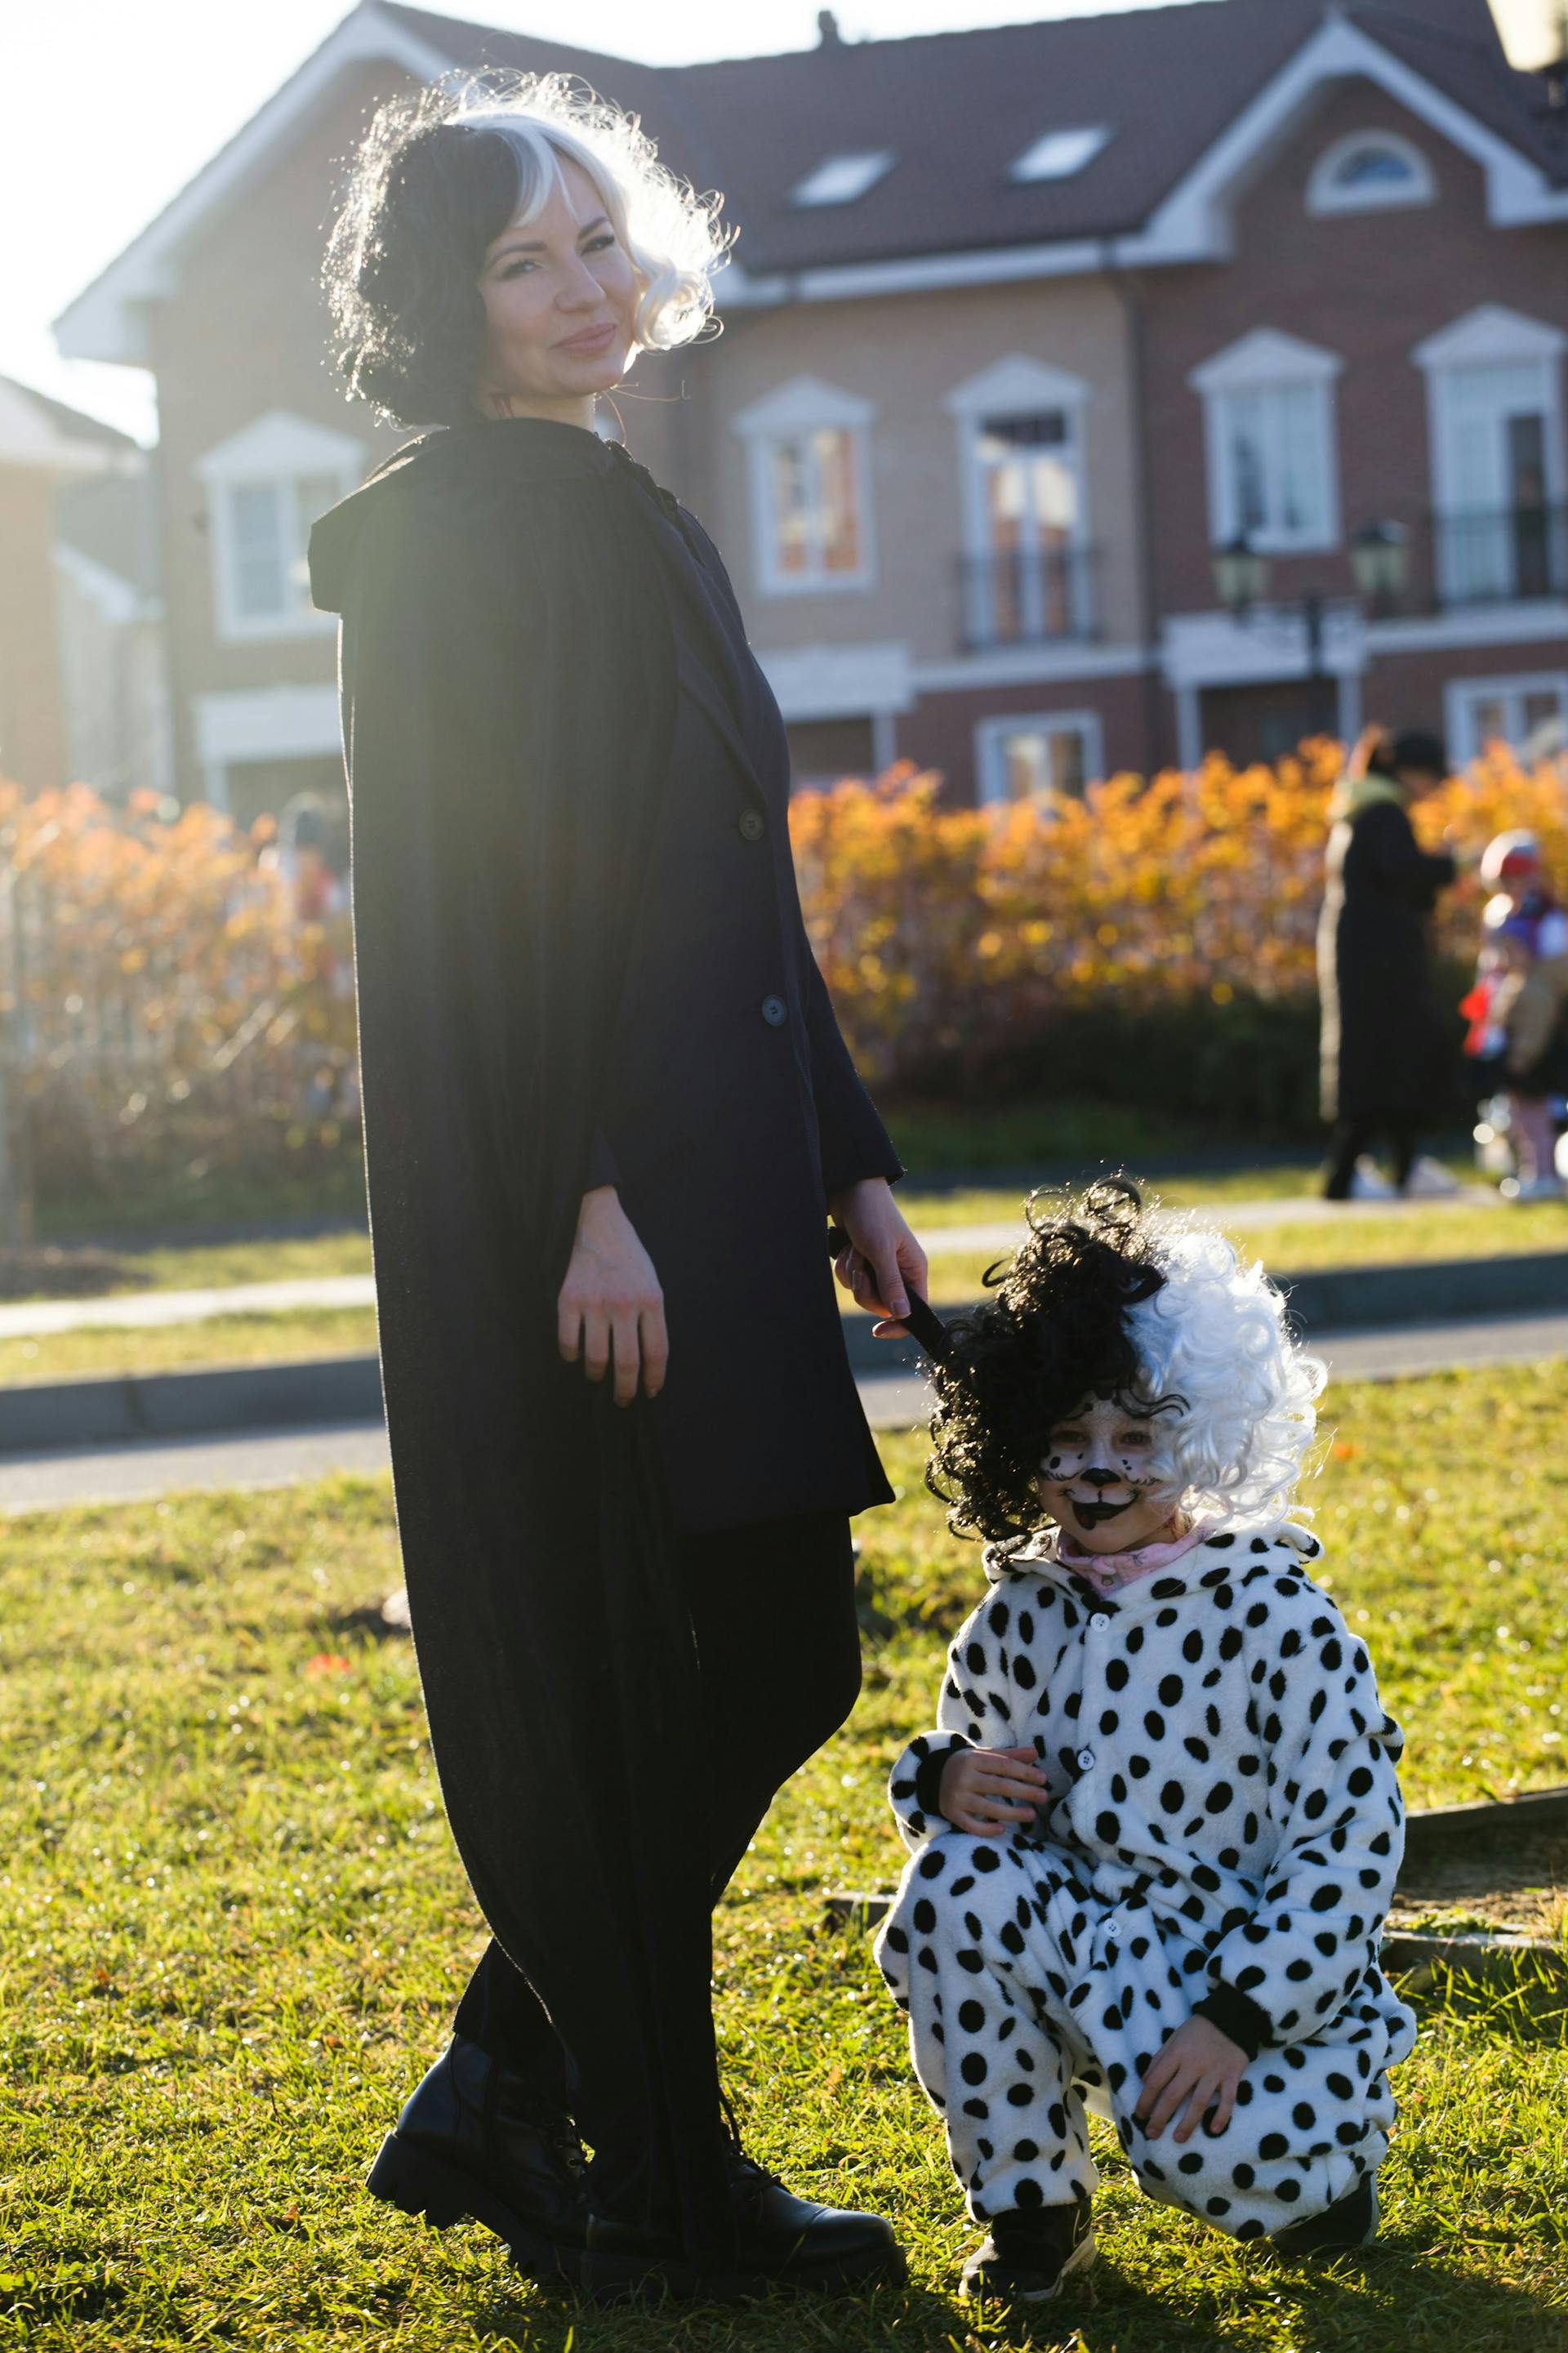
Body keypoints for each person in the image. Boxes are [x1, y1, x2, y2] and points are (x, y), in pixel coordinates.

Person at [308, 73, 925, 2302]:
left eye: (596, 240)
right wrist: (584, 1193)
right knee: (701, 1664)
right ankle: (651, 2165)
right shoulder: (465, 536)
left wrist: (847, 1158)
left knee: (764, 1657)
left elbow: (734, 883)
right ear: (441, 307)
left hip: (725, 1186)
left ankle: (518, 2081)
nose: (582, 290)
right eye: (520, 259)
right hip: (601, 1217)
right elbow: (481, 904)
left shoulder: (626, 507)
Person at [874, 1181, 1414, 2317]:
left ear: (1205, 1437)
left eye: (1136, 1437)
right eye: (1066, 1441)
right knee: (952, 1887)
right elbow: (971, 1784)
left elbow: (1351, 1838)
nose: (1100, 1470)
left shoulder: (1278, 1615)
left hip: (1238, 1980)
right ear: (1020, 1447)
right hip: (1086, 1949)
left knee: (1204, 2159)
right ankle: (1032, 2207)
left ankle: (1326, 2174)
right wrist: (945, 1780)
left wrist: (1239, 2017)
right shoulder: (1022, 1611)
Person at [1317, 725, 1462, 1201]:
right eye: (1432, 778)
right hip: (1381, 959)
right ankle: (1364, 1173)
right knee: (1388, 1056)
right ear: (1409, 773)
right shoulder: (1384, 814)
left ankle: (1390, 1169)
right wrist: (1446, 865)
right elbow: (1402, 874)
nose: (1434, 789)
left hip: (1360, 955)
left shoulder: (1358, 811)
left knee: (1376, 1059)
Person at [1460, 831, 1568, 1201]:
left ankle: (1544, 1174)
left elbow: (1548, 988)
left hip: (1536, 1030)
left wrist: (1526, 1046)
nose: (1512, 886)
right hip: (1507, 1023)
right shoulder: (1499, 916)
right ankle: (1533, 1171)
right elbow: (1490, 976)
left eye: (1519, 877)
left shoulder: (1548, 921)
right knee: (1516, 1107)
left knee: (1535, 1106)